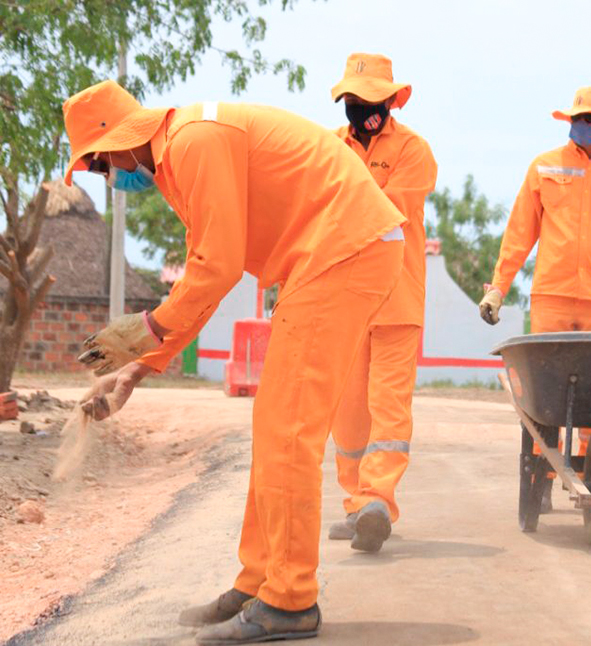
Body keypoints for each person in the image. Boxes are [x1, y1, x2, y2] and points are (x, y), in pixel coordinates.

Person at [65, 79, 407, 643]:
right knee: (273, 427)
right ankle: (259, 582)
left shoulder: (192, 142)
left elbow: (217, 268)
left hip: (344, 251)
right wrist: (140, 366)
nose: (108, 180)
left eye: (101, 166)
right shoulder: (180, 156)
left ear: (119, 141)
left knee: (289, 431)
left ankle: (291, 599)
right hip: (329, 256)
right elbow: (207, 270)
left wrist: (146, 329)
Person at [479, 86, 591, 510]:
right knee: (546, 400)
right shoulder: (544, 168)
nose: (582, 125)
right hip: (552, 299)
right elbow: (519, 234)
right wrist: (498, 289)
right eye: (577, 118)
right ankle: (540, 485)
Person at [325, 53, 437, 553]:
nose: (362, 108)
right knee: (347, 416)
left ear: (391, 101)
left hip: (395, 298)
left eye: (372, 99)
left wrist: (336, 205)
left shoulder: (414, 151)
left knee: (388, 409)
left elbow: (388, 209)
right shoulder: (328, 148)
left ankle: (377, 499)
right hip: (345, 302)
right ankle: (356, 504)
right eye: (354, 99)